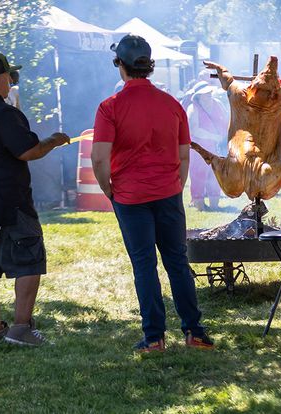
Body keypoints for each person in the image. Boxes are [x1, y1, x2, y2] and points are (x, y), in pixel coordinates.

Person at [91, 35, 213, 353]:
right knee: (177, 261)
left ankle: (154, 337)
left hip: (130, 198)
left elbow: (99, 158)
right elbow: (184, 155)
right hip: (168, 193)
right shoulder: (172, 105)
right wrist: (177, 185)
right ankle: (194, 332)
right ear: (149, 65)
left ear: (120, 65)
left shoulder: (110, 107)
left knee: (144, 265)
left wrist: (108, 189)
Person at [0, 53, 70, 346]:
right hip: (11, 204)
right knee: (29, 262)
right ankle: (21, 328)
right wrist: (54, 139)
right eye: (10, 77)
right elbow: (28, 151)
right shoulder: (4, 113)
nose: (12, 82)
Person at [187, 82, 228, 211]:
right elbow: (194, 130)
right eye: (206, 94)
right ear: (198, 97)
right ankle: (200, 206)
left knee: (215, 176)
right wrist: (214, 137)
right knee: (198, 175)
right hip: (199, 150)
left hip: (217, 148)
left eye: (210, 93)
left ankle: (215, 206)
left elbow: (227, 121)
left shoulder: (218, 104)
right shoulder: (193, 108)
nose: (209, 96)